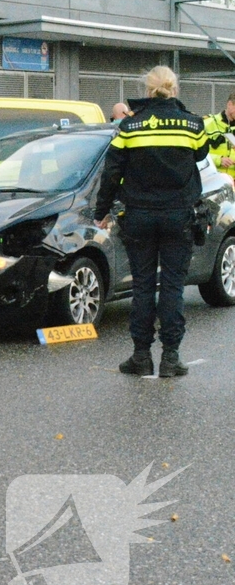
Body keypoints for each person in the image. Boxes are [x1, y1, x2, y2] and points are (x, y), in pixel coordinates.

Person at [94, 66, 209, 378]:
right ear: (174, 89)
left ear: (147, 89)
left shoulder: (130, 126)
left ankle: (141, 355)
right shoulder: (191, 123)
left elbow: (112, 171)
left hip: (140, 216)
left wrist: (101, 211)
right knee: (172, 285)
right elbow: (201, 154)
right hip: (178, 215)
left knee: (143, 285)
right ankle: (171, 357)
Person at [203, 91, 235, 180]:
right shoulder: (207, 123)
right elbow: (196, 153)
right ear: (230, 104)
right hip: (212, 179)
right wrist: (218, 160)